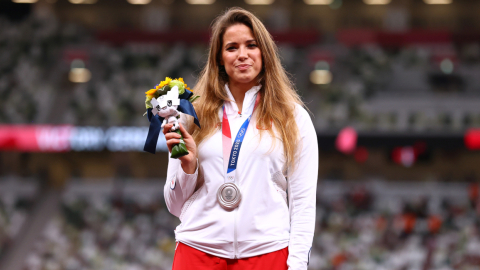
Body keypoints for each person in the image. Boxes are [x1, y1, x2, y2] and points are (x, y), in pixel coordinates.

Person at [162, 7, 318, 270]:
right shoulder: (191, 114)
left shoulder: (293, 117)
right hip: (198, 252)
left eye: (251, 45)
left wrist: (298, 264)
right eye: (232, 48)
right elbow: (175, 206)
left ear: (264, 53)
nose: (242, 55)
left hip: (267, 252)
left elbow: (303, 202)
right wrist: (188, 169)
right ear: (219, 58)